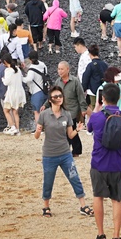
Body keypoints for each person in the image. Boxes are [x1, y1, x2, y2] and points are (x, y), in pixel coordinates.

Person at [35, 84, 94, 218]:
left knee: (75, 178)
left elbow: (70, 135)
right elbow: (36, 136)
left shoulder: (66, 114)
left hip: (65, 153)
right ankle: (46, 206)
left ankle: (83, 205)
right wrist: (38, 131)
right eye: (55, 96)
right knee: (48, 181)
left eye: (60, 95)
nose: (59, 98)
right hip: (49, 155)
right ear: (50, 99)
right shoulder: (44, 114)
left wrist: (78, 130)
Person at [88, 82, 121, 239]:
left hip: (99, 163)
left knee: (98, 197)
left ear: (103, 98)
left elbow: (90, 129)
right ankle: (116, 236)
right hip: (118, 163)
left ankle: (100, 234)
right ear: (119, 97)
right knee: (117, 200)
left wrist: (98, 108)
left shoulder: (97, 117)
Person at [1, 56, 27, 135]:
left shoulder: (8, 70)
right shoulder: (18, 69)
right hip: (19, 92)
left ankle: (12, 127)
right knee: (15, 112)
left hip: (11, 93)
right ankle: (17, 130)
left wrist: (2, 79)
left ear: (5, 62)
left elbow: (6, 82)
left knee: (6, 110)